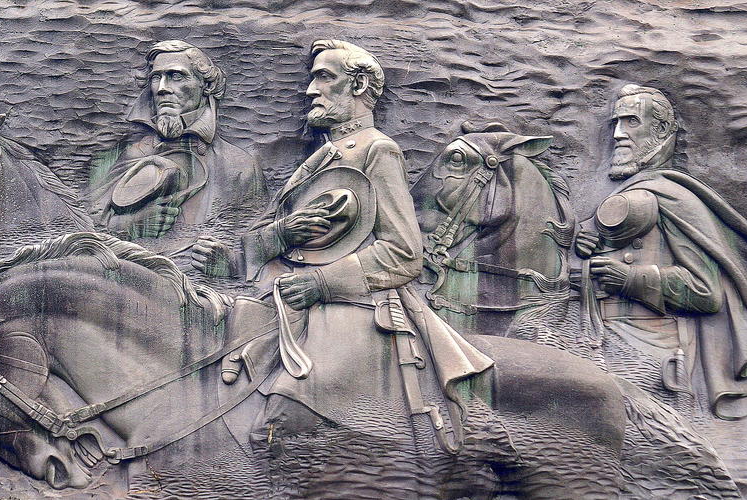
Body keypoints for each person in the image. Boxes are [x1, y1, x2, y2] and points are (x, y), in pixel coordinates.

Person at [204, 40, 492, 446]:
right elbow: (287, 234)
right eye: (312, 78)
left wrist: (322, 284)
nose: (310, 90)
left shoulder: (377, 149)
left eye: (324, 77)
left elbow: (404, 253)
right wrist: (237, 256)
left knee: (283, 420)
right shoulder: (323, 155)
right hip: (285, 298)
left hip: (353, 307)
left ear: (358, 85)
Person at [575, 84, 747, 419]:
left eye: (631, 122)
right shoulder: (626, 198)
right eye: (615, 124)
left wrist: (630, 279)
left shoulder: (675, 198)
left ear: (661, 130)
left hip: (650, 355)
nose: (618, 134)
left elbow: (706, 293)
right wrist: (581, 249)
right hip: (594, 341)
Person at [85, 40, 266, 274]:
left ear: (206, 85)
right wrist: (130, 224)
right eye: (155, 78)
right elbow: (85, 226)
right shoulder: (127, 154)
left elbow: (260, 246)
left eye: (176, 76)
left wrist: (231, 263)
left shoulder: (238, 165)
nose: (162, 88)